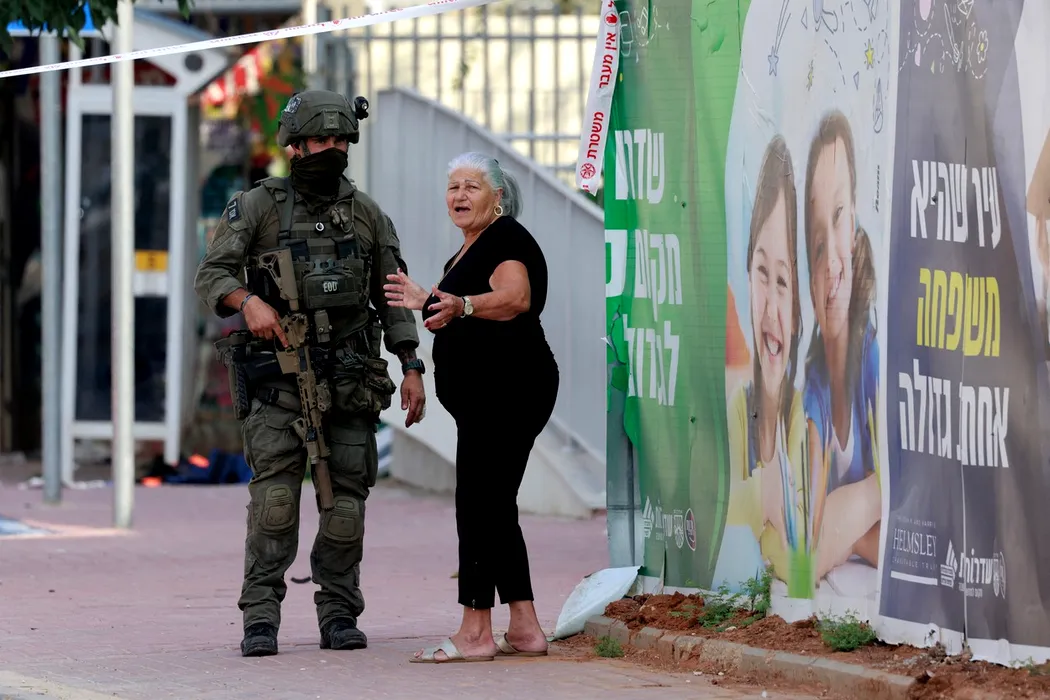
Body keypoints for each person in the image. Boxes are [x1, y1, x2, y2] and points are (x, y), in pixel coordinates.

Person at [193, 90, 427, 658]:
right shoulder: (257, 206)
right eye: (321, 140)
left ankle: (339, 613)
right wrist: (247, 301)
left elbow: (393, 295)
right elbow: (213, 274)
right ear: (294, 145)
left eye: (341, 140)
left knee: (346, 506)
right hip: (278, 379)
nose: (332, 149)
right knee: (275, 504)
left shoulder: (366, 214)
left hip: (348, 379)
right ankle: (260, 617)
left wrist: (411, 364)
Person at [383, 152, 560, 664]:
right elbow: (465, 312)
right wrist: (435, 307)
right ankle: (524, 628)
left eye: (472, 186)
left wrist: (461, 304)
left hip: (508, 390)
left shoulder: (507, 239)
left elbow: (515, 297)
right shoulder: (469, 249)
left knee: (479, 505)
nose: (459, 195)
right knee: (494, 505)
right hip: (487, 396)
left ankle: (476, 631)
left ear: (497, 197)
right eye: (453, 186)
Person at [723, 134, 807, 593]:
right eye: (761, 273)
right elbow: (721, 520)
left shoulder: (803, 416)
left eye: (783, 281)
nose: (771, 308)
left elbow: (797, 560)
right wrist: (765, 497)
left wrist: (758, 513)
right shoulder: (741, 408)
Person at [801, 110, 881, 582]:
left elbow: (911, 531)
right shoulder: (812, 389)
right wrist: (877, 496)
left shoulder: (875, 357)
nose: (830, 259)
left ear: (854, 229)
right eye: (815, 246)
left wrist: (845, 531)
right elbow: (808, 550)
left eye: (838, 218)